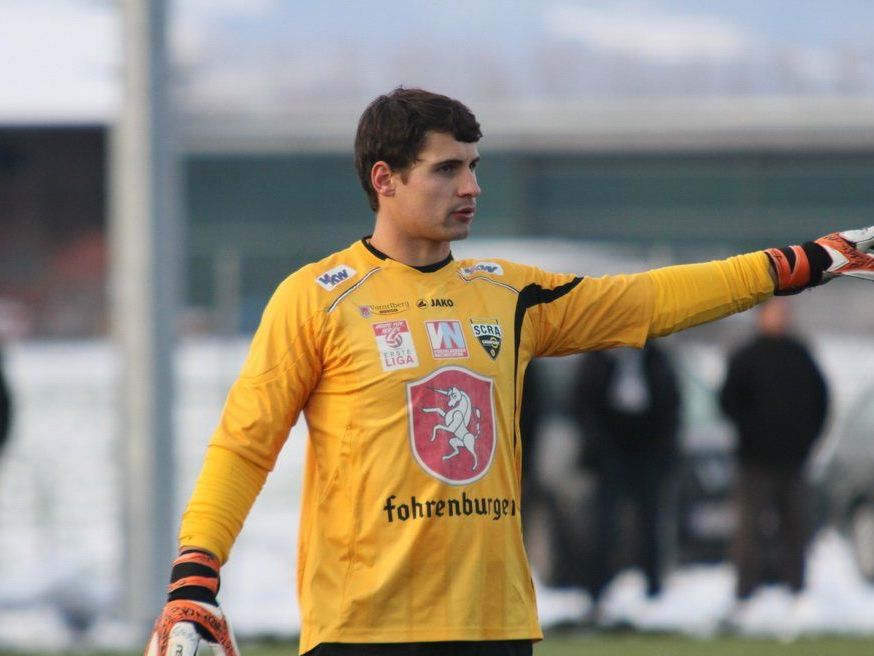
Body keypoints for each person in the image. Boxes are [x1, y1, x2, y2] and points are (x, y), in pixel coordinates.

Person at [145, 87, 874, 656]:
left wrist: (801, 263)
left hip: (495, 626)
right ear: (384, 179)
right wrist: (195, 577)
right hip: (364, 630)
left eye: (474, 166)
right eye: (447, 168)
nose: (471, 186)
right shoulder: (315, 299)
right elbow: (244, 445)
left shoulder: (511, 294)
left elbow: (651, 299)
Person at [719, 298, 829, 605]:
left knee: (796, 528)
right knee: (749, 532)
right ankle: (745, 595)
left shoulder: (800, 355)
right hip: (754, 460)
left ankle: (796, 593)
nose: (782, 318)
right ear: (761, 317)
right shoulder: (747, 356)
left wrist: (808, 439)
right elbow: (728, 401)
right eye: (776, 312)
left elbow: (821, 400)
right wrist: (750, 433)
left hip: (794, 459)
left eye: (785, 313)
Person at [572, 342, 680, 617]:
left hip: (647, 452)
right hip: (611, 453)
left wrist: (662, 448)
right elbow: (581, 405)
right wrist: (597, 447)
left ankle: (654, 593)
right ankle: (597, 591)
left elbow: (671, 403)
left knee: (651, 522)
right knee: (605, 524)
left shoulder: (656, 358)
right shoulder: (597, 358)